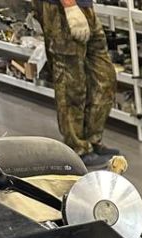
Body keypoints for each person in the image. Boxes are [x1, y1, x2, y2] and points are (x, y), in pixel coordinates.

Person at [33, 0, 120, 168]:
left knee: (104, 77)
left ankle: (92, 140)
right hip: (62, 9)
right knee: (71, 84)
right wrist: (69, 5)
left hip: (84, 7)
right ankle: (77, 148)